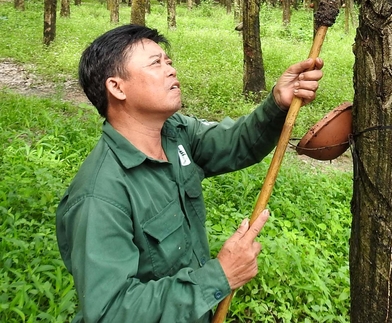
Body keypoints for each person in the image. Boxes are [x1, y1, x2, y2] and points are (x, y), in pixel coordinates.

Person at [56, 24, 323, 323]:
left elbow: (235, 143)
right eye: (155, 63)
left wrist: (277, 102)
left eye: (168, 61)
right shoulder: (99, 196)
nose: (170, 69)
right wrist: (218, 276)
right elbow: (110, 312)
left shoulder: (174, 133)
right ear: (117, 87)